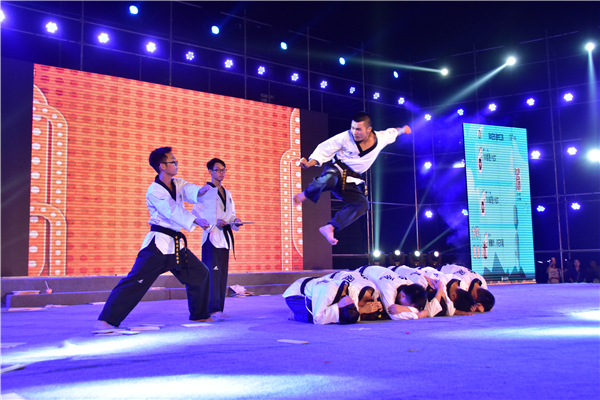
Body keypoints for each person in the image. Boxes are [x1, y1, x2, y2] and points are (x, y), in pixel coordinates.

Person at [95, 147, 213, 330]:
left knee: (200, 273)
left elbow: (190, 190)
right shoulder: (154, 190)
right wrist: (195, 220)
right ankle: (107, 319)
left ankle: (199, 315)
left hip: (175, 246)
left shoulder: (178, 183)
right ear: (162, 166)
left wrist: (201, 191)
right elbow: (171, 209)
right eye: (173, 161)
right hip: (157, 245)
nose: (176, 164)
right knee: (136, 281)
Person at [293, 112, 411, 245]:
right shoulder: (345, 137)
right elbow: (324, 149)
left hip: (352, 180)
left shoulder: (381, 138)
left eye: (358, 129)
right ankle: (304, 194)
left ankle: (330, 227)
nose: (354, 132)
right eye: (353, 128)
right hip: (337, 168)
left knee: (362, 205)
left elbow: (394, 131)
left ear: (369, 130)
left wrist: (403, 130)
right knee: (328, 179)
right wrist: (309, 164)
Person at [192, 158, 241, 320]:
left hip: (224, 238)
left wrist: (235, 221)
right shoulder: (204, 191)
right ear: (210, 171)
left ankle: (218, 309)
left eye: (224, 170)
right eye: (218, 170)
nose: (221, 173)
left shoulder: (228, 193)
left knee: (222, 275)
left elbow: (230, 214)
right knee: (212, 275)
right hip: (211, 237)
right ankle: (211, 309)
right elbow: (197, 213)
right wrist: (214, 222)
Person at [282, 276, 360, 325]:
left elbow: (355, 318)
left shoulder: (351, 294)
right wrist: (337, 305)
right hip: (294, 296)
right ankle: (295, 315)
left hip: (315, 290)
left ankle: (300, 312)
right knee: (313, 316)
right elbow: (318, 319)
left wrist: (338, 307)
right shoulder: (328, 292)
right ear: (339, 310)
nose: (351, 302)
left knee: (326, 315)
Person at [359, 265, 428, 319]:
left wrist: (405, 308)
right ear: (403, 296)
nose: (408, 308)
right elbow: (394, 315)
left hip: (379, 270)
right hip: (361, 275)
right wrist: (418, 315)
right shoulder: (388, 288)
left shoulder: (410, 284)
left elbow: (421, 309)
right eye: (409, 307)